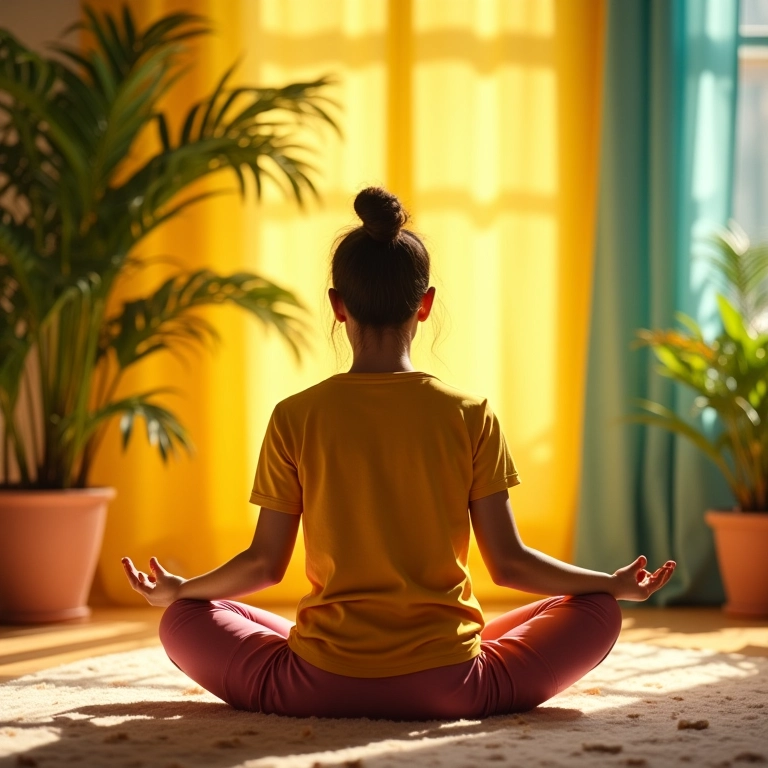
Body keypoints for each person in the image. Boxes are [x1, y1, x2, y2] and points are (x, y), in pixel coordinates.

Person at [122, 186, 676, 721]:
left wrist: (179, 589)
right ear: (426, 305)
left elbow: (264, 565)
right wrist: (612, 582)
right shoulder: (470, 413)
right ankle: (447, 646)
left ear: (338, 306)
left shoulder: (296, 415)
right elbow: (508, 564)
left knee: (185, 616)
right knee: (596, 608)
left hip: (312, 685)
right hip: (455, 687)